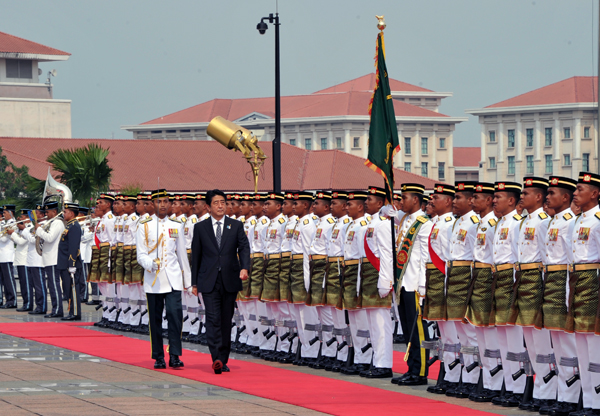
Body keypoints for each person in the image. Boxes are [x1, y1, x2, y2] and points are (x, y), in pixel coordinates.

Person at [191, 189, 250, 374]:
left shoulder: (236, 225)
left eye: (223, 202)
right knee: (212, 318)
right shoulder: (200, 228)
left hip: (229, 279)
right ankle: (215, 357)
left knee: (225, 320)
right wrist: (194, 283)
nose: (220, 206)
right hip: (208, 280)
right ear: (208, 207)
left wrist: (245, 267)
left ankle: (223, 359)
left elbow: (244, 248)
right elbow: (196, 256)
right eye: (216, 203)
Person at [137, 189, 192, 370]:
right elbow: (141, 254)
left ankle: (175, 355)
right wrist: (151, 263)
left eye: (166, 201)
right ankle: (158, 356)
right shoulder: (144, 225)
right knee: (155, 320)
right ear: (152, 204)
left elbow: (182, 254)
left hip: (173, 277)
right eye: (159, 202)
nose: (163, 205)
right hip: (154, 278)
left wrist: (188, 281)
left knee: (175, 316)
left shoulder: (177, 224)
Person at [539, 176, 580, 416]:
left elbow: (569, 261)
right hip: (550, 281)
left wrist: (567, 291)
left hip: (564, 281)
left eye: (552, 193)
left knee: (569, 343)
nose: (547, 197)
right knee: (557, 343)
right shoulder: (554, 221)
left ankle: (572, 396)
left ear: (565, 197)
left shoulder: (568, 222)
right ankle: (562, 394)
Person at [388, 183, 433, 386]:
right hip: (402, 283)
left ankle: (420, 371)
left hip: (415, 283)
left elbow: (425, 257)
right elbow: (390, 213)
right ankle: (411, 368)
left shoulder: (424, 223)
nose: (400, 202)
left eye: (404, 198)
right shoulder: (405, 218)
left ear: (416, 200)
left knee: (418, 330)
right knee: (407, 330)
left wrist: (423, 287)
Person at [464, 182, 502, 403]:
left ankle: (495, 383)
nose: (472, 201)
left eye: (476, 197)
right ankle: (487, 381)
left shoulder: (494, 223)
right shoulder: (480, 223)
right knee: (480, 332)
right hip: (477, 277)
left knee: (491, 334)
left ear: (488, 200)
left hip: (489, 278)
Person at [490, 181, 526, 407]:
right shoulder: (500, 223)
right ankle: (510, 385)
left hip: (510, 280)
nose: (494, 200)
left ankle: (520, 387)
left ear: (511, 201)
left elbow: (517, 257)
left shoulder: (516, 224)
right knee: (502, 336)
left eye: (498, 197)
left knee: (514, 339)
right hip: (497, 279)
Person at [568, 172, 600, 415]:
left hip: (593, 282)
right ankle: (587, 401)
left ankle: (597, 403)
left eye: (580, 189)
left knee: (594, 345)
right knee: (581, 344)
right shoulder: (577, 221)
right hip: (577, 280)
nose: (575, 193)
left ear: (595, 193)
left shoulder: (598, 220)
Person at [35, 201, 66, 318]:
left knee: (54, 285)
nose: (46, 214)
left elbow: (49, 238)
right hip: (49, 258)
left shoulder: (57, 223)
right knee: (52, 285)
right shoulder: (52, 222)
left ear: (54, 212)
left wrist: (39, 230)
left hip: (54, 258)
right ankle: (55, 309)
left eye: (48, 212)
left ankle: (57, 309)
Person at [58, 202, 83, 321]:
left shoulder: (74, 226)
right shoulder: (69, 225)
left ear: (72, 213)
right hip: (65, 263)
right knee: (68, 288)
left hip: (70, 264)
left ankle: (75, 313)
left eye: (65, 212)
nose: (63, 214)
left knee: (73, 288)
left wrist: (72, 264)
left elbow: (74, 247)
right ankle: (72, 311)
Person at [9, 209, 32, 311]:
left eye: (22, 217)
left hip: (25, 260)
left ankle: (28, 304)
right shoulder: (22, 228)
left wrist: (12, 233)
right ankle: (25, 303)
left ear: (27, 218)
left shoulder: (30, 228)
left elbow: (21, 241)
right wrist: (16, 230)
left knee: (26, 284)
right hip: (20, 259)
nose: (20, 219)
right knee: (23, 283)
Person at [0, 205, 17, 308]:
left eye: (5, 213)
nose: (3, 215)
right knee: (4, 280)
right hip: (2, 256)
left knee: (9, 280)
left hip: (7, 256)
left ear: (11, 213)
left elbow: (4, 239)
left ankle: (12, 301)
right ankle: (7, 300)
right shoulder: (5, 224)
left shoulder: (12, 223)